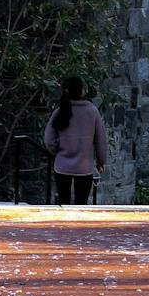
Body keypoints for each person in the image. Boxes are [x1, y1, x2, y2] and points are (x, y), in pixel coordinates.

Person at [44, 75, 107, 205]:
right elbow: (101, 139)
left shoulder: (59, 111)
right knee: (82, 204)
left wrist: (58, 151)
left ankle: (63, 225)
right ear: (82, 91)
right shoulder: (92, 111)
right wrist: (101, 162)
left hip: (62, 165)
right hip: (84, 167)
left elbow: (49, 140)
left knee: (63, 202)